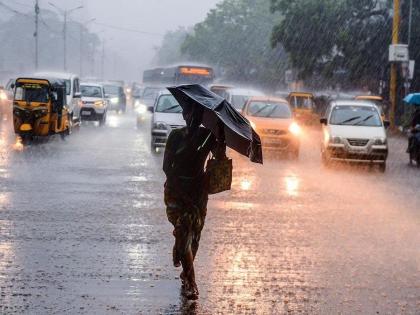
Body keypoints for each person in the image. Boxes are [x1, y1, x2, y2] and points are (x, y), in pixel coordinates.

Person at [163, 104, 226, 300]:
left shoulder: (207, 136)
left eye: (197, 115)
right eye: (189, 114)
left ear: (202, 118)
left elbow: (219, 158)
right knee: (183, 231)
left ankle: (183, 258)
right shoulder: (175, 136)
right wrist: (182, 193)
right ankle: (191, 282)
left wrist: (221, 137)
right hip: (176, 192)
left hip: (198, 193)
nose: (192, 118)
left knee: (194, 237)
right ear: (183, 114)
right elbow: (167, 167)